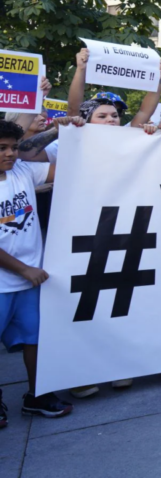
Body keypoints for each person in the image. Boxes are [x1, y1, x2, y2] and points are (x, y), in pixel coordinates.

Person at [0, 119, 79, 426]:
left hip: (31, 282)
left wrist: (63, 130)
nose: (10, 154)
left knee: (36, 340)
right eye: (2, 149)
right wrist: (25, 269)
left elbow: (68, 170)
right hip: (12, 280)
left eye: (13, 147)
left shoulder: (22, 170)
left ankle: (38, 394)